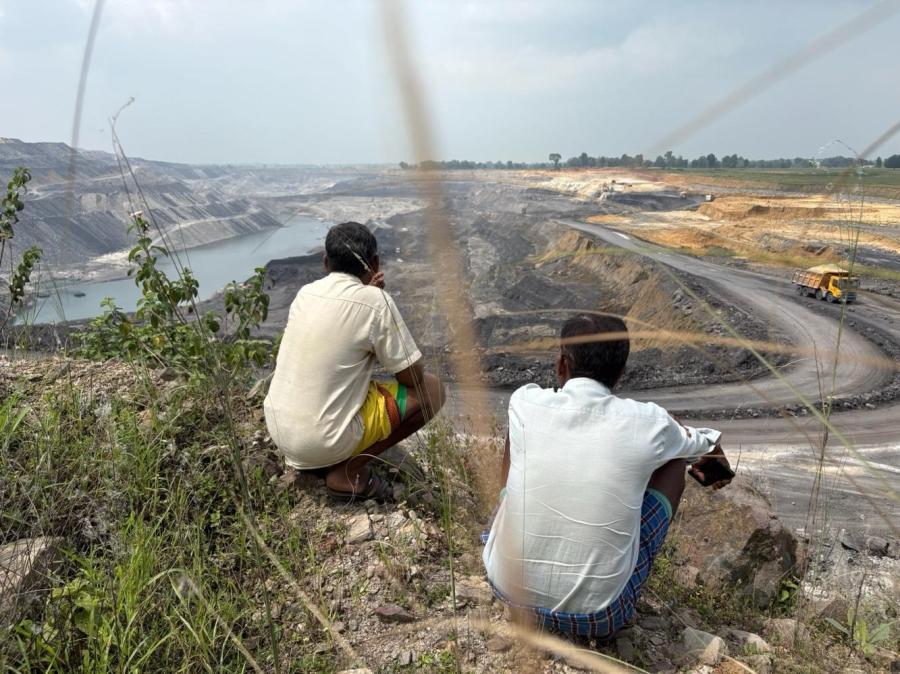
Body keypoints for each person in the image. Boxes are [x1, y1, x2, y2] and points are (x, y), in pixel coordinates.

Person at [482, 313, 732, 639]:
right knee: (673, 460)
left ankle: (507, 519)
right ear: (621, 373)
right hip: (599, 617)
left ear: (561, 364)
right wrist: (712, 450)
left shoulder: (525, 401)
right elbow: (702, 442)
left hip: (507, 589)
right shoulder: (649, 423)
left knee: (519, 433)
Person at [264, 221, 445, 501]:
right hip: (322, 442)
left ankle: (323, 458)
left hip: (281, 434)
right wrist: (378, 301)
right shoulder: (375, 302)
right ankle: (347, 472)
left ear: (326, 262)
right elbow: (412, 378)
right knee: (432, 389)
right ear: (375, 263)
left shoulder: (305, 293)